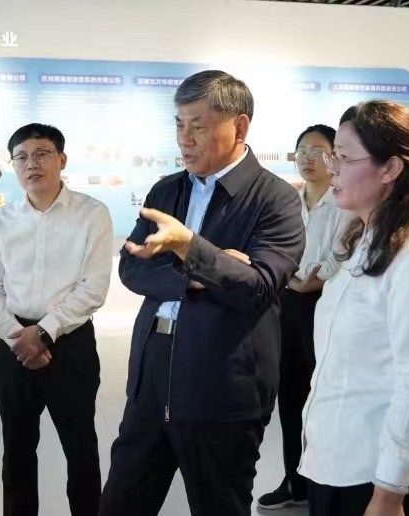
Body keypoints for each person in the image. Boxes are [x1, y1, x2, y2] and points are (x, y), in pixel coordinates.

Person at [98, 70, 306, 516]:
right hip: (153, 374)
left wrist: (189, 248)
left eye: (198, 125)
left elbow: (259, 287)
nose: (184, 139)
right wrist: (198, 273)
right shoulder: (166, 190)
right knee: (121, 501)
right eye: (179, 124)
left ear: (240, 127)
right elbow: (133, 267)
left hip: (223, 384)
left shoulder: (275, 199)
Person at [299, 100, 409, 516]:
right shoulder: (365, 241)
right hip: (332, 458)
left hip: (373, 472)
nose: (332, 170)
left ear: (390, 168)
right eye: (332, 157)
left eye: (344, 158)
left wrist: (389, 491)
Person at [0, 123, 113, 516]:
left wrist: (46, 333)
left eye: (41, 154)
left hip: (70, 343)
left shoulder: (92, 214)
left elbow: (93, 288)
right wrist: (18, 336)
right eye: (21, 157)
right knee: (16, 448)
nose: (31, 164)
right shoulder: (2, 220)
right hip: (13, 346)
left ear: (62, 160)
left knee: (80, 446)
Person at [258, 124, 350, 510]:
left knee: (325, 398)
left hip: (326, 309)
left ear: (334, 157)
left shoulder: (345, 204)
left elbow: (333, 265)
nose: (307, 159)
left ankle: (325, 483)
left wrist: (297, 279)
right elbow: (270, 254)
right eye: (301, 151)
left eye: (317, 151)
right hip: (285, 309)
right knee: (290, 397)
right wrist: (296, 279)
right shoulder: (286, 202)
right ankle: (294, 481)